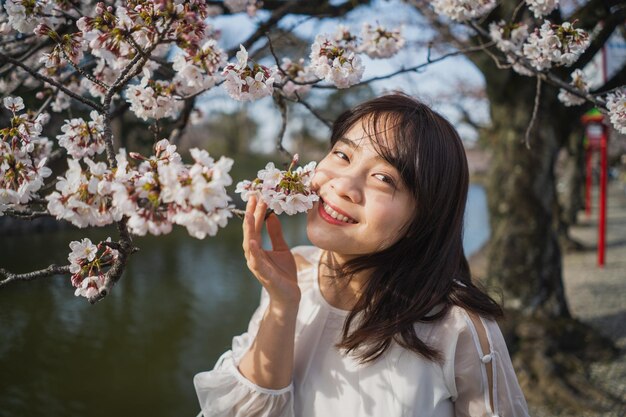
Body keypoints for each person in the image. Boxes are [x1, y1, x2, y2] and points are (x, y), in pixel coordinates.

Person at [193, 93, 530, 417]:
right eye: (342, 155)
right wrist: (282, 307)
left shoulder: (457, 327)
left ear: (424, 218)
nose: (343, 185)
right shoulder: (296, 270)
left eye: (383, 178)